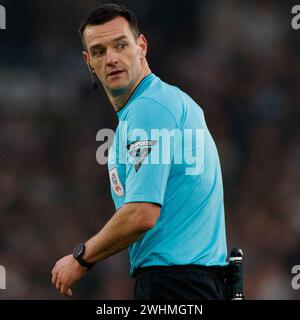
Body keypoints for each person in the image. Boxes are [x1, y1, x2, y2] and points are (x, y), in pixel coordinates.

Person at [51, 3, 229, 300]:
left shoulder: (149, 109)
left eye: (120, 45)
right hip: (196, 282)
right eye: (98, 51)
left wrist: (81, 258)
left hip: (176, 286)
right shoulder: (164, 103)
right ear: (88, 62)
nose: (111, 59)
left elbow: (141, 214)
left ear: (141, 46)